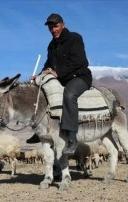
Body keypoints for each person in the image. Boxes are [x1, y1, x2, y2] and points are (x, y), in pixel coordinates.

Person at [27, 13, 92, 155]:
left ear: (63, 24)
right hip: (62, 79)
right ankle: (39, 131)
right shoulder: (51, 45)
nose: (53, 30)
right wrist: (38, 76)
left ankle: (72, 139)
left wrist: (58, 73)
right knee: (40, 92)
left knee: (69, 95)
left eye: (55, 26)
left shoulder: (75, 38)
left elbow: (79, 61)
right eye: (50, 27)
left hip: (79, 77)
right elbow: (48, 65)